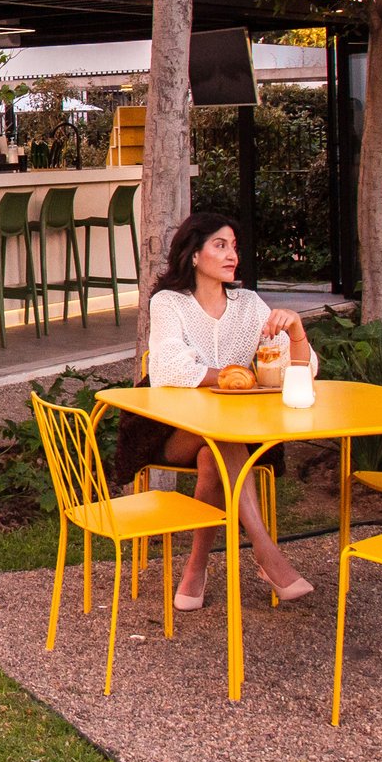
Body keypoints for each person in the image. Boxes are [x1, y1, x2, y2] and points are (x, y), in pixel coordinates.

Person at [123, 211, 315, 610]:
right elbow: (170, 368)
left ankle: (196, 567)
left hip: (233, 433)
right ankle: (265, 551)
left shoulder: (249, 305)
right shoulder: (169, 303)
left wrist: (296, 332)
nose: (232, 256)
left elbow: (301, 371)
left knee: (215, 453)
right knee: (217, 436)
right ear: (194, 254)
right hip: (172, 431)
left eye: (234, 247)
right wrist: (239, 376)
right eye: (220, 245)